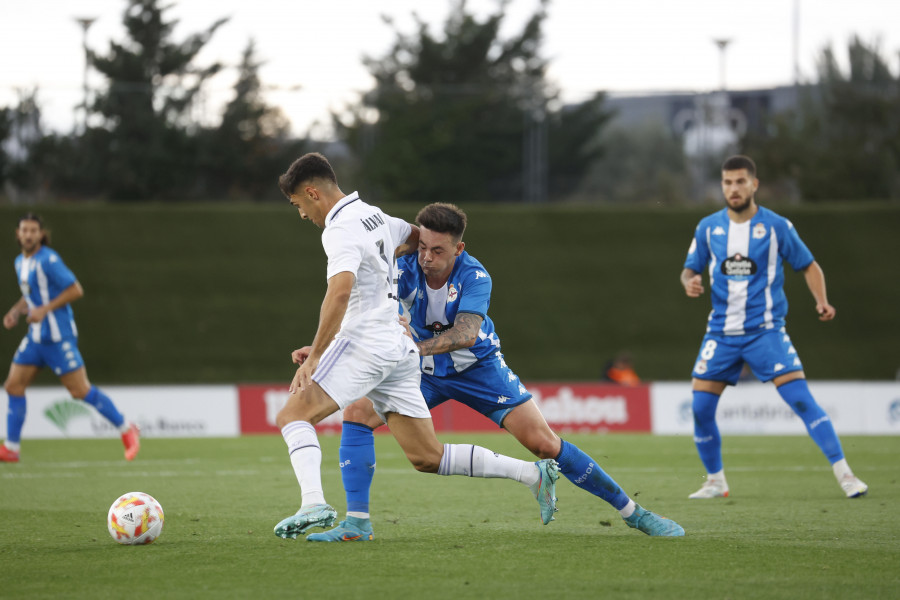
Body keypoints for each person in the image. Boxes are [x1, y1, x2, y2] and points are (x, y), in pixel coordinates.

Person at [305, 202, 684, 542]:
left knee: (545, 444)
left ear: (459, 249)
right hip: (418, 371)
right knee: (356, 414)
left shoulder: (475, 276)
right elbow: (366, 313)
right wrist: (328, 347)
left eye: (438, 250)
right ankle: (357, 524)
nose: (426, 257)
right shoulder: (403, 268)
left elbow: (466, 334)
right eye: (422, 247)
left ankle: (635, 514)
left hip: (478, 369)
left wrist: (408, 347)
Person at [272, 153, 561, 541]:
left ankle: (313, 504)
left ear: (312, 193)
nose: (302, 215)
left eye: (298, 205)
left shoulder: (338, 229)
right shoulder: (373, 214)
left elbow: (339, 293)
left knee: (293, 416)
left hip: (366, 344)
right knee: (428, 457)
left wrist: (321, 352)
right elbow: (414, 238)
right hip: (398, 347)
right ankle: (532, 474)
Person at [680, 154, 867, 499]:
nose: (733, 189)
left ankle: (846, 476)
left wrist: (821, 301)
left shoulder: (777, 226)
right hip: (721, 333)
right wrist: (689, 281)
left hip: (765, 331)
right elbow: (689, 268)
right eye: (727, 182)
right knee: (701, 408)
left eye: (739, 181)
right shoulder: (708, 227)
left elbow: (809, 265)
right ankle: (715, 481)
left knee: (801, 400)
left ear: (754, 184)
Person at [1, 213, 140, 463]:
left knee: (79, 391)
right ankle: (11, 448)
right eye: (25, 230)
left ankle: (126, 429)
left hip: (58, 337)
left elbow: (76, 289)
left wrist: (45, 309)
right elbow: (31, 294)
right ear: (18, 234)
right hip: (35, 338)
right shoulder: (20, 262)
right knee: (13, 386)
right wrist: (16, 311)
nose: (29, 234)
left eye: (34, 230)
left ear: (41, 235)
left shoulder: (49, 259)